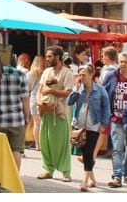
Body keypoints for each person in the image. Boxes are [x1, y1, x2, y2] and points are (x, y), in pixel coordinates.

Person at [68, 63, 111, 192]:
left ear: (91, 75)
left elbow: (106, 108)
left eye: (84, 75)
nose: (82, 77)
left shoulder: (100, 90)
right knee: (85, 152)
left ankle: (84, 181)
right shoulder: (79, 90)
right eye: (80, 75)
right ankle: (92, 178)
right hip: (80, 125)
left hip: (94, 125)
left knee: (89, 152)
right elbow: (69, 102)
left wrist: (103, 124)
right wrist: (75, 89)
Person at [0, 54, 30, 171]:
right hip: (17, 119)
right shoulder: (20, 75)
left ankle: (0, 178)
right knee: (16, 150)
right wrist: (27, 116)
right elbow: (25, 98)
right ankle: (14, 179)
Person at [36, 45, 74, 182]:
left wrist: (52, 92)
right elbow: (40, 89)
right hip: (46, 112)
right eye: (47, 56)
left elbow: (67, 92)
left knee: (61, 143)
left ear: (57, 57)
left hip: (60, 113)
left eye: (50, 56)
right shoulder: (46, 72)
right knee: (45, 142)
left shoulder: (67, 73)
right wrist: (39, 102)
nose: (47, 59)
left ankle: (66, 172)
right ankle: (47, 169)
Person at [103, 51, 127, 189]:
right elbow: (104, 93)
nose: (122, 64)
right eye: (120, 62)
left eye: (125, 62)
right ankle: (117, 175)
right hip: (116, 118)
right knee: (117, 148)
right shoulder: (112, 76)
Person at [89, 46, 119, 161]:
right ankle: (105, 151)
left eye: (103, 55)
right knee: (108, 129)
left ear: (107, 56)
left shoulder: (108, 70)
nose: (102, 58)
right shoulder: (116, 69)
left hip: (105, 102)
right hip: (114, 102)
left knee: (102, 128)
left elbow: (102, 87)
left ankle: (93, 154)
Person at [26, 54, 46, 151]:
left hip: (33, 98)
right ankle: (43, 143)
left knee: (36, 123)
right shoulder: (45, 73)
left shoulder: (29, 74)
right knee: (43, 123)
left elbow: (28, 88)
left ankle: (37, 145)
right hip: (43, 98)